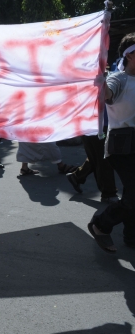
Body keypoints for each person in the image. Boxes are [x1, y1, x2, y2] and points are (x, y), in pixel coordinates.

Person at [88, 33, 135, 253]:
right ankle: (101, 224)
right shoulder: (119, 79)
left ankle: (131, 235)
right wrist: (101, 84)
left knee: (131, 193)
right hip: (121, 145)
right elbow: (107, 94)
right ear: (130, 55)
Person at [65, 109, 119, 203]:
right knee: (104, 158)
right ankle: (108, 193)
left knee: (101, 155)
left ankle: (78, 176)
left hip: (99, 121)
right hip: (97, 123)